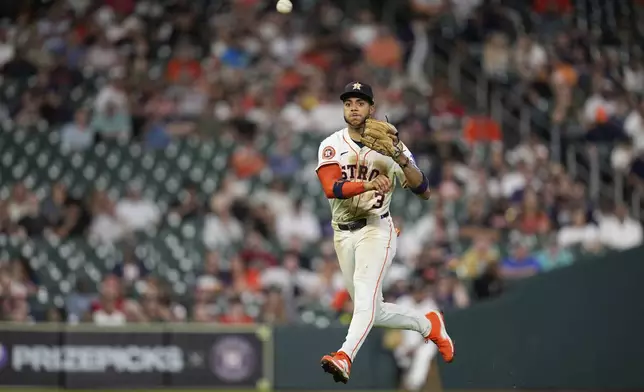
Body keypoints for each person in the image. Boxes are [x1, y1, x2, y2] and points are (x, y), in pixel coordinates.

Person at [315, 82, 454, 384]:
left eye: (360, 102)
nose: (354, 107)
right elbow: (331, 187)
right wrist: (367, 184)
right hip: (343, 234)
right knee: (371, 311)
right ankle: (428, 324)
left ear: (372, 108)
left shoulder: (393, 148)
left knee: (364, 302)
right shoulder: (331, 144)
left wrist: (400, 158)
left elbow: (424, 190)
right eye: (349, 102)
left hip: (377, 229)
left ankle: (344, 356)